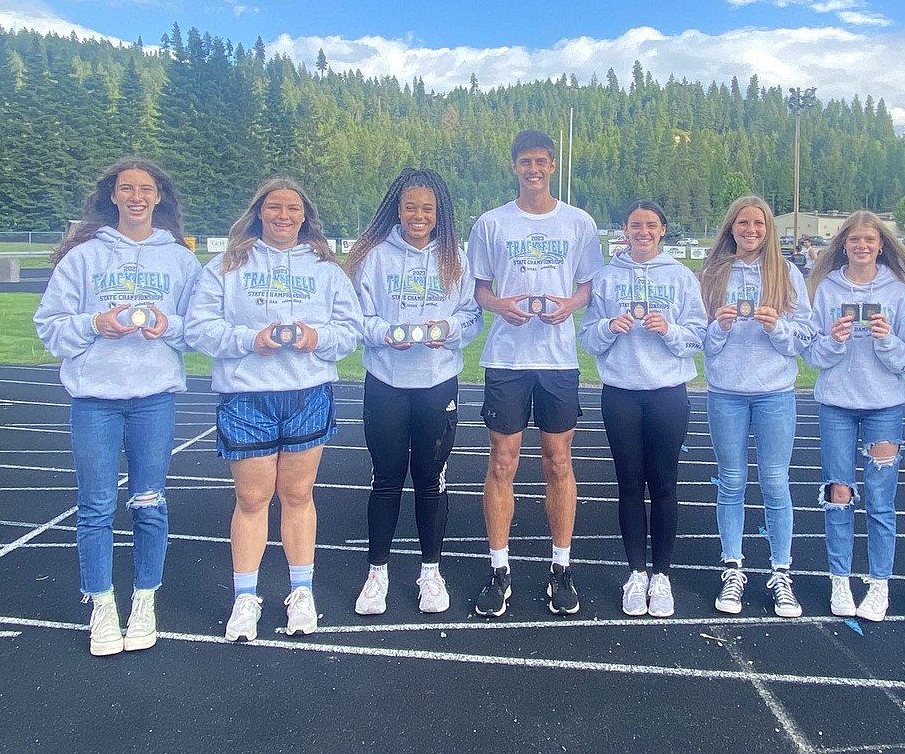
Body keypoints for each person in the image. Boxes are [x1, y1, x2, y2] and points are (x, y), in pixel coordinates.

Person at [33, 158, 202, 656]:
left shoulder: (178, 260)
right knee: (96, 508)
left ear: (158, 197)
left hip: (153, 398)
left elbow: (200, 327)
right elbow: (50, 327)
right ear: (113, 195)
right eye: (126, 188)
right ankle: (103, 606)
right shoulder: (85, 257)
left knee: (149, 503)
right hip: (95, 401)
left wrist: (165, 325)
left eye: (144, 189)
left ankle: (144, 599)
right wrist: (94, 324)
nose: (135, 196)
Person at [185, 177, 361, 642]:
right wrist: (250, 340)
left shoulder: (325, 268)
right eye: (275, 207)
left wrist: (316, 337)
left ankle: (301, 593)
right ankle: (246, 597)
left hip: (306, 392)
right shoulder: (228, 264)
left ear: (306, 217)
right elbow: (198, 329)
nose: (284, 215)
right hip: (247, 395)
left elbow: (351, 329)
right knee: (251, 499)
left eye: (293, 209)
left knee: (299, 496)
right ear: (259, 211)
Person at [468, 130, 604, 617]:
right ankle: (499, 570)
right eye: (525, 161)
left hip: (556, 360)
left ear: (552, 166)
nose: (533, 169)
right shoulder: (491, 223)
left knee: (558, 462)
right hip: (506, 360)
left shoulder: (578, 222)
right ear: (514, 166)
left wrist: (570, 303)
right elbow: (480, 290)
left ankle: (560, 568)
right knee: (502, 463)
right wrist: (499, 304)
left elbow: (588, 286)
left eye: (541, 161)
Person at [345, 168, 483, 615]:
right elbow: (356, 319)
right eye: (410, 207)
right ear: (396, 209)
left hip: (436, 382)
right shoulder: (374, 256)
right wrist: (386, 333)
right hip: (385, 382)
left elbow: (472, 317)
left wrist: (448, 328)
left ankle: (430, 571)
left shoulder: (454, 258)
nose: (418, 216)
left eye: (427, 208)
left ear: (439, 212)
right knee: (385, 479)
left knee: (430, 479)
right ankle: (377, 573)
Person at [580, 200, 706, 617]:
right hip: (620, 392)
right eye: (636, 225)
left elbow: (698, 338)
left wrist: (669, 331)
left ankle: (663, 576)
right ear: (625, 230)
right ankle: (636, 573)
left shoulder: (682, 277)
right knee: (629, 483)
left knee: (665, 483)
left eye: (651, 224)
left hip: (668, 391)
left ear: (663, 230)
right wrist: (607, 328)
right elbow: (588, 338)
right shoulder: (606, 278)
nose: (643, 231)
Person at [804, 212, 905, 622]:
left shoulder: (899, 293)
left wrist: (887, 340)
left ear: (881, 245)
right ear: (843, 244)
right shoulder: (823, 289)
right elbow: (811, 354)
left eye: (869, 240)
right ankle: (840, 579)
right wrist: (834, 342)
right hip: (836, 403)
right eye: (854, 239)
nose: (862, 246)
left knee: (881, 498)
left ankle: (879, 583)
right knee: (839, 493)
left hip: (884, 405)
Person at [700, 196, 814, 618]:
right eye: (743, 223)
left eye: (759, 224)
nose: (751, 230)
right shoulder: (714, 274)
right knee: (730, 482)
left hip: (775, 392)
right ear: (731, 227)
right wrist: (720, 327)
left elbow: (805, 336)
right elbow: (703, 345)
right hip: (726, 389)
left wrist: (779, 328)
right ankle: (733, 569)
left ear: (769, 230)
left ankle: (781, 572)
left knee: (775, 483)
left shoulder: (786, 273)